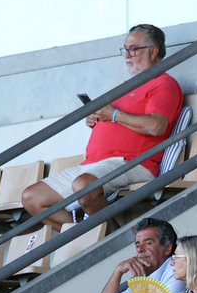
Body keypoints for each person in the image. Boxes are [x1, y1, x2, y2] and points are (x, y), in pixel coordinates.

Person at [22, 26, 184, 218]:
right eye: (125, 49)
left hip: (131, 162)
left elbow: (156, 126)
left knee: (84, 186)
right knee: (32, 197)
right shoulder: (127, 87)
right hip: (92, 164)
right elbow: (116, 118)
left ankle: (105, 240)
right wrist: (98, 119)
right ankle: (83, 238)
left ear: (153, 51)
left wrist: (114, 115)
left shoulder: (163, 83)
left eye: (133, 49)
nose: (127, 55)